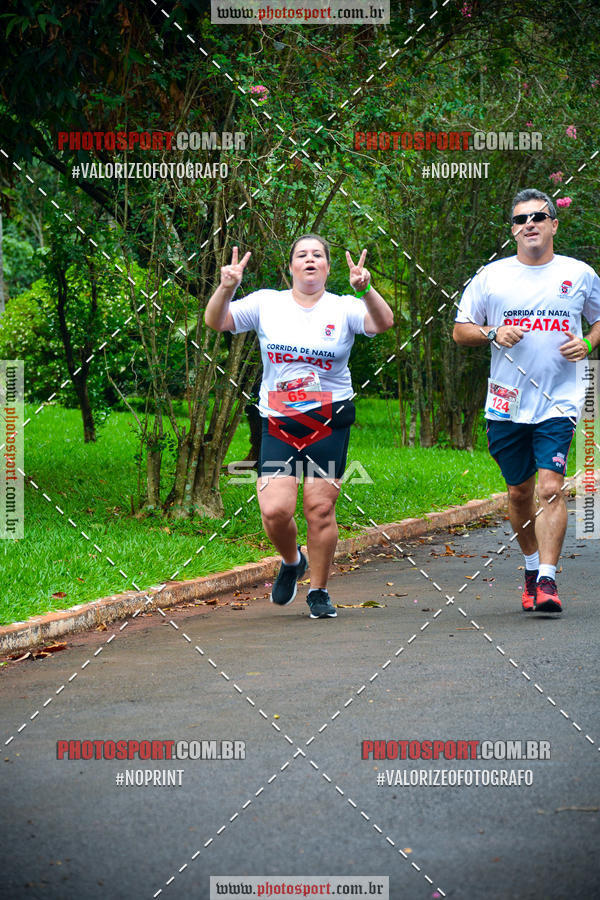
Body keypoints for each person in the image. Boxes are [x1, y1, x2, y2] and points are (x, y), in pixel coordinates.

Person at [205, 234, 394, 619]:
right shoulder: (265, 303)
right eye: (302, 255)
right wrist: (226, 287)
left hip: (329, 417)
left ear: (327, 266)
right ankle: (293, 561)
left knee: (319, 509)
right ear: (290, 266)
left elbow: (384, 322)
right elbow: (216, 321)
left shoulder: (343, 308)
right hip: (278, 418)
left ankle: (319, 591)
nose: (310, 260)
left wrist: (367, 289)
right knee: (275, 509)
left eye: (318, 255)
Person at [453, 188, 600, 614]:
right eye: (520, 220)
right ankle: (532, 568)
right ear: (513, 230)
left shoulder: (580, 274)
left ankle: (550, 582)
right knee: (519, 493)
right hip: (506, 403)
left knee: (551, 488)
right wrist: (491, 332)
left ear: (554, 224)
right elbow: (460, 330)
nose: (529, 224)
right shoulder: (491, 277)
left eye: (538, 216)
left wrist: (588, 341)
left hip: (560, 400)